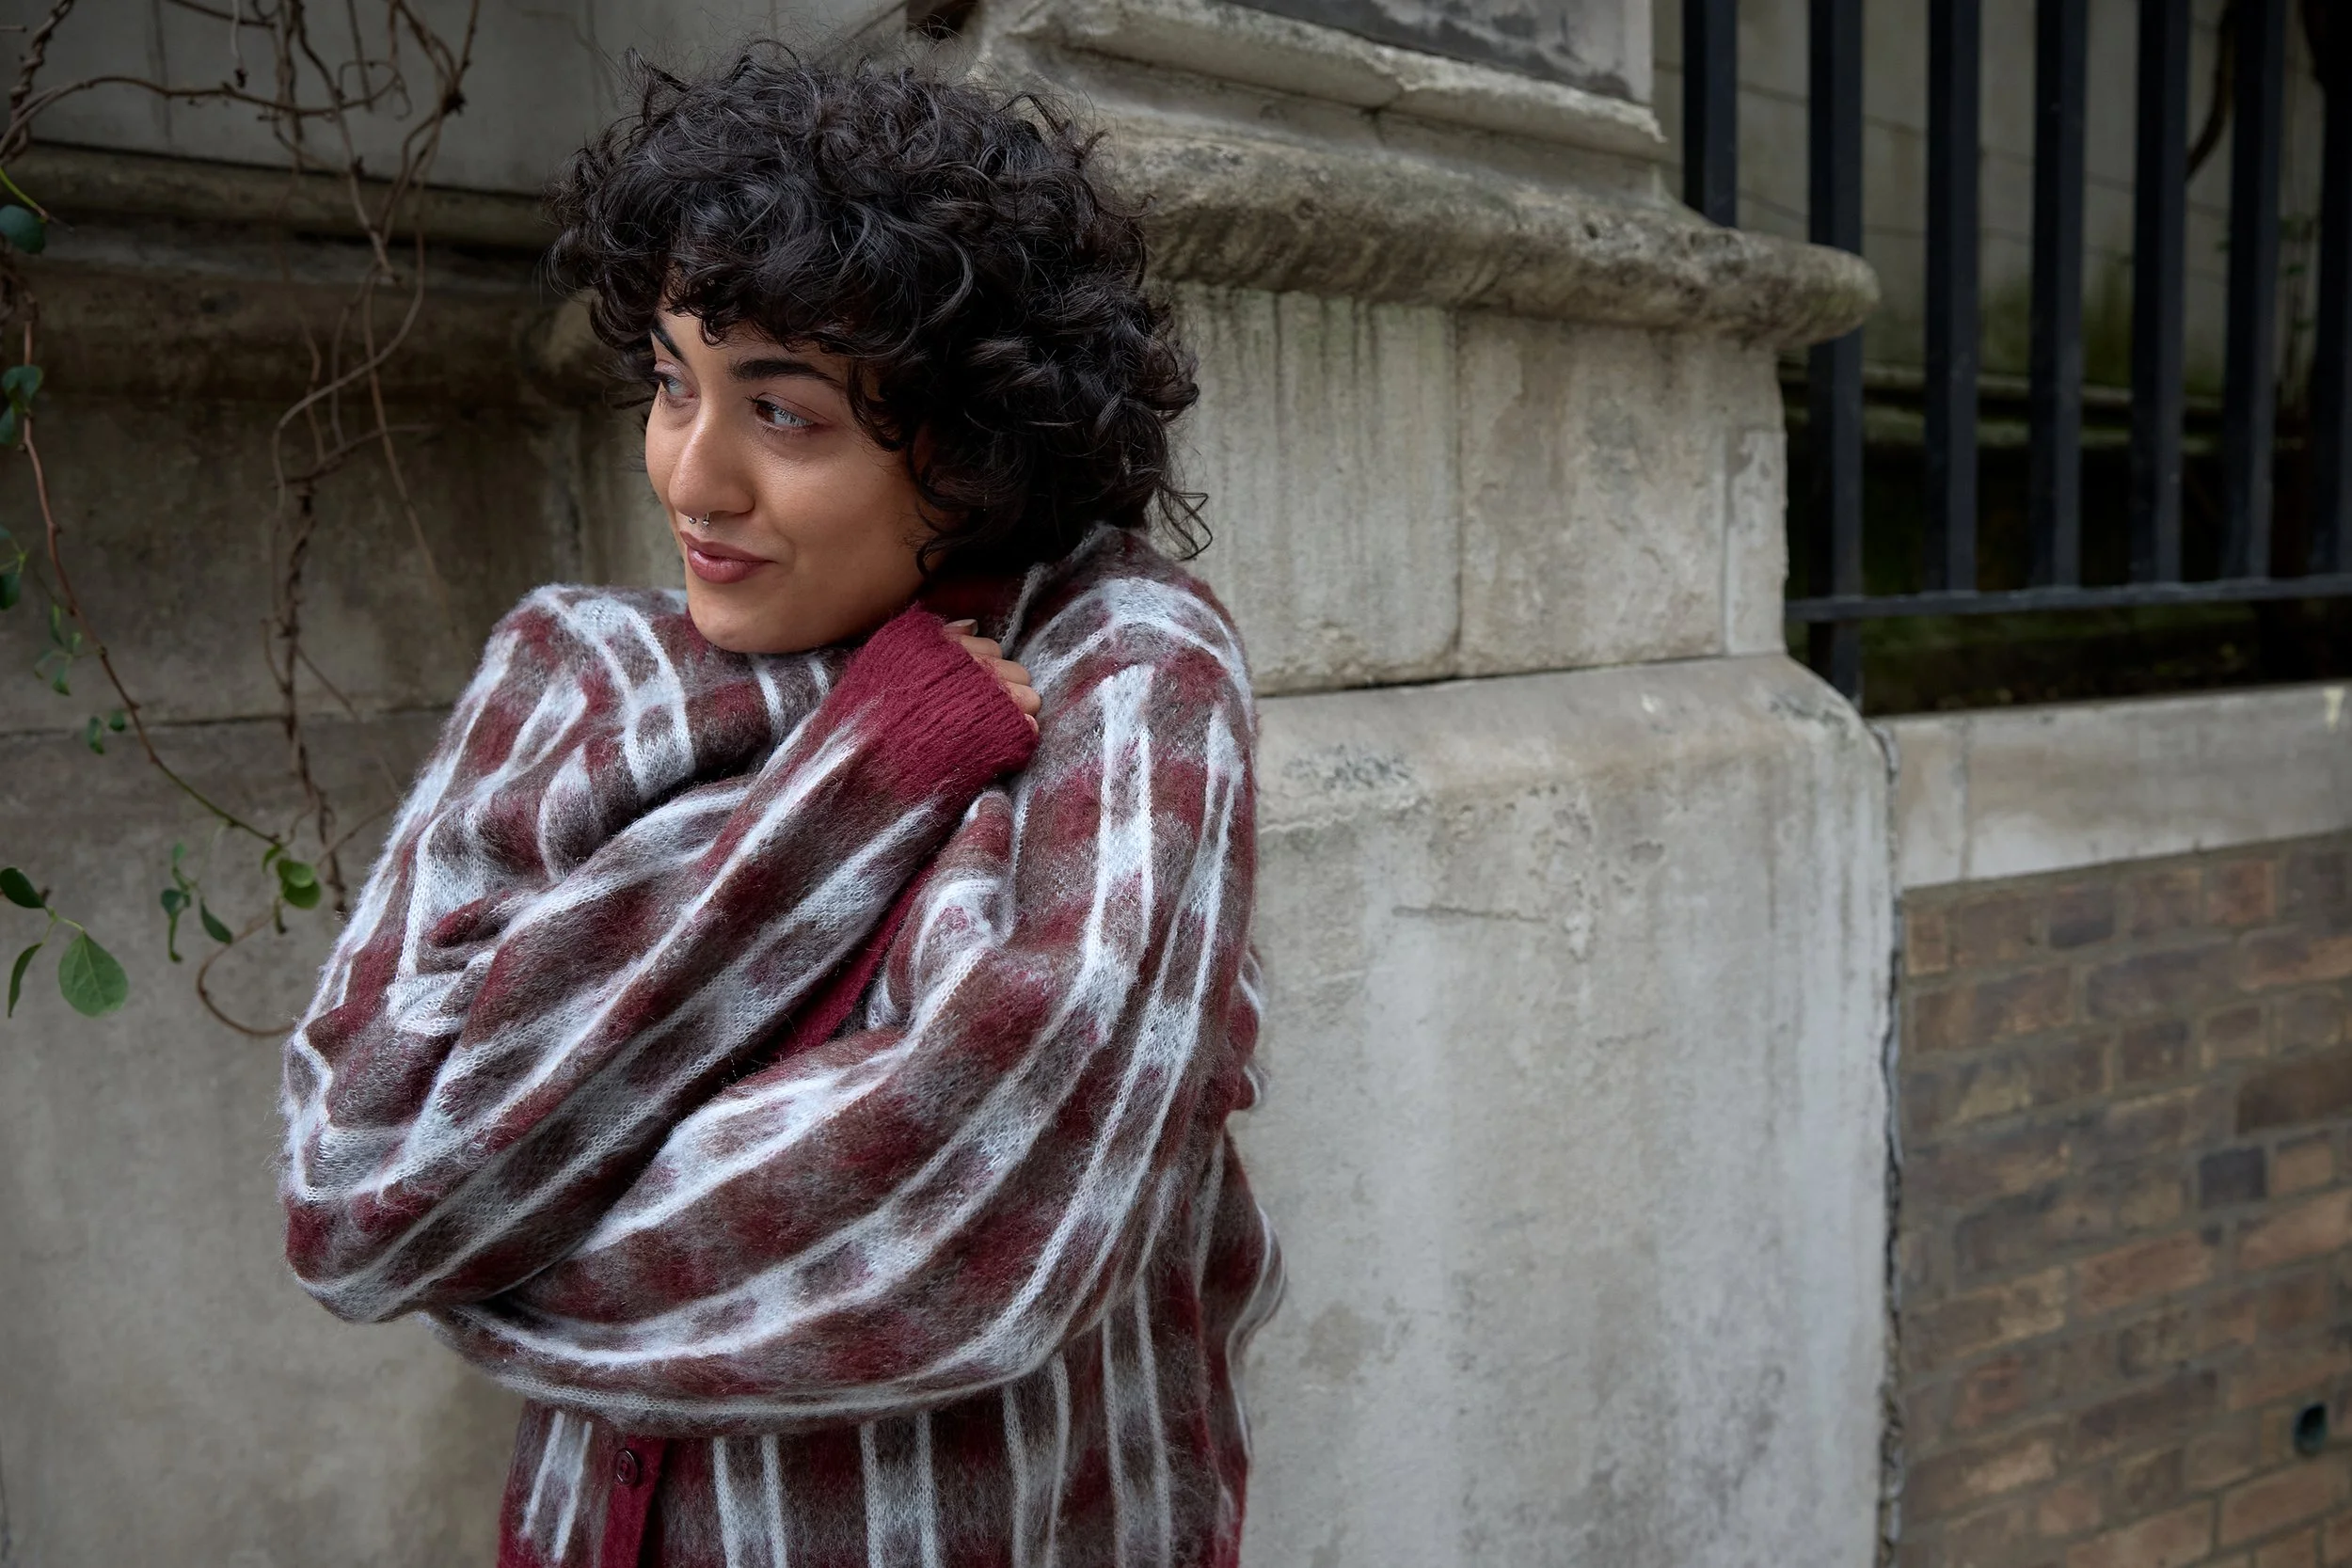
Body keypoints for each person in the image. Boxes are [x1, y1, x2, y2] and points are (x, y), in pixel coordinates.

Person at [276, 51, 1281, 1568]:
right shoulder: (570, 672)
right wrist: (856, 787)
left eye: (786, 413)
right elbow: (358, 1184)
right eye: (674, 382)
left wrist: (504, 1230)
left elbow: (975, 1225)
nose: (695, 474)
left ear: (972, 436)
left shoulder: (1126, 668)